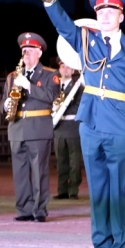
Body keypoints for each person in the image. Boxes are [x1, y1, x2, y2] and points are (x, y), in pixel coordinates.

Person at [35, 0, 125, 248]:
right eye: (100, 12)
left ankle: (120, 247)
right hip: (90, 124)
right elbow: (62, 23)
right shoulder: (85, 40)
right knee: (98, 188)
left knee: (119, 189)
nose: (105, 16)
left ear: (121, 16)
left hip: (121, 126)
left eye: (111, 12)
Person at [1, 33, 59, 222]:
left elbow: (51, 96)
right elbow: (2, 102)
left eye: (29, 51)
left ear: (39, 53)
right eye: (23, 52)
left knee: (39, 170)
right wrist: (6, 103)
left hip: (38, 127)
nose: (25, 55)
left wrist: (29, 86)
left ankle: (39, 210)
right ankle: (24, 209)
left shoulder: (51, 75)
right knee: (20, 171)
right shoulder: (12, 76)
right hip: (17, 127)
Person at [53, 59, 83, 200]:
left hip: (72, 126)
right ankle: (62, 190)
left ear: (73, 70)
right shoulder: (53, 86)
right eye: (62, 66)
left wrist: (65, 108)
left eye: (68, 67)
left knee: (74, 161)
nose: (65, 69)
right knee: (61, 161)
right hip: (58, 127)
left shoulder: (79, 87)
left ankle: (73, 190)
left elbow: (80, 106)